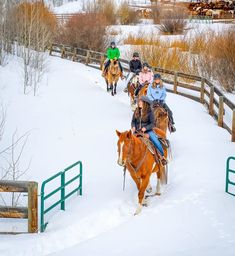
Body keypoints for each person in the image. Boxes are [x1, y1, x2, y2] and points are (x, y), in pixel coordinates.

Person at [131, 95, 167, 165]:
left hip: (147, 131)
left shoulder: (150, 112)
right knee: (129, 142)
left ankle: (162, 157)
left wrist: (146, 128)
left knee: (155, 140)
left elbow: (152, 124)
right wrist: (133, 127)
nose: (139, 103)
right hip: (137, 131)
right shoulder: (136, 111)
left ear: (145, 103)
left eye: (140, 102)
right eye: (139, 101)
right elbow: (133, 121)